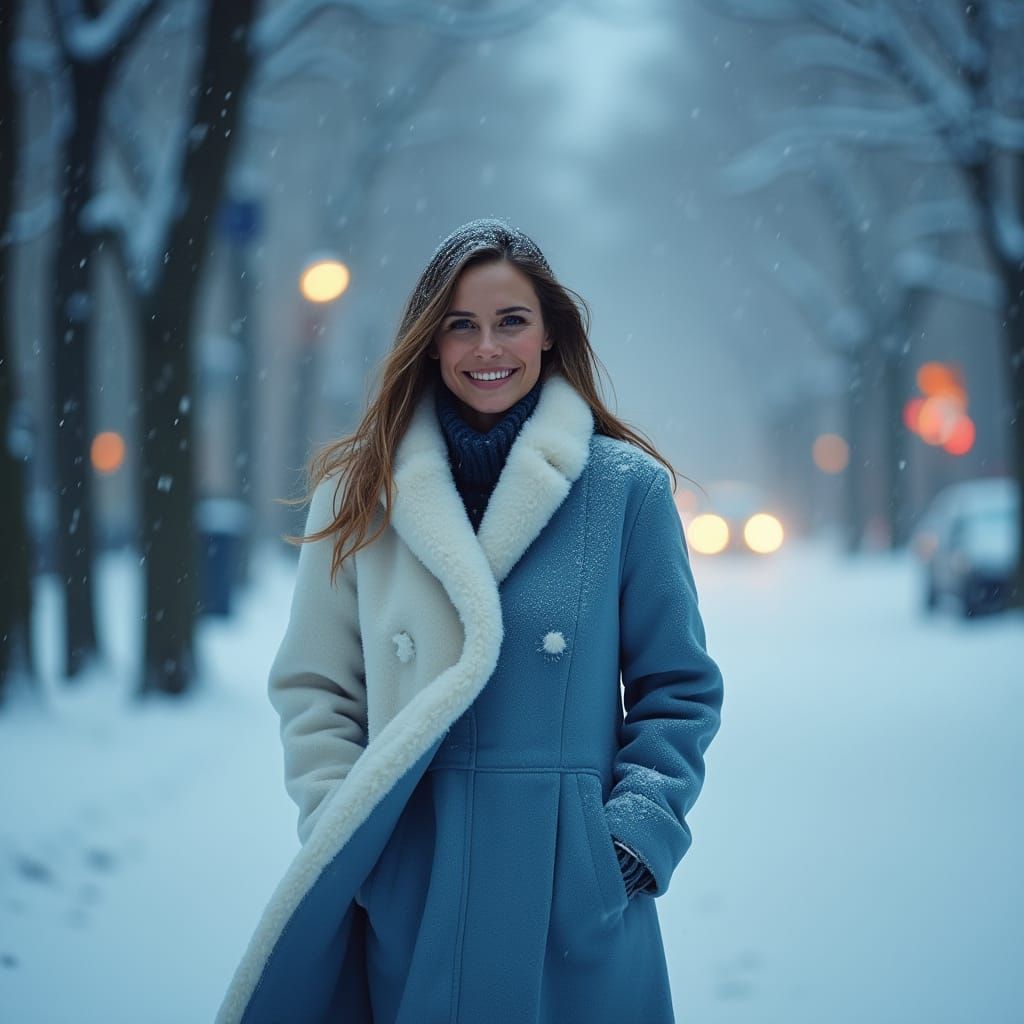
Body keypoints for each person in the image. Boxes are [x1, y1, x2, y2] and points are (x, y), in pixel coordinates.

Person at [217, 218, 724, 1024]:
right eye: (461, 325)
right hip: (412, 890)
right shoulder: (362, 493)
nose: (487, 347)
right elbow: (316, 690)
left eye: (511, 321)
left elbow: (679, 687)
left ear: (550, 333)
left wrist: (628, 840)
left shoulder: (626, 489)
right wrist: (350, 840)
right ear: (430, 341)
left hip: (572, 899)